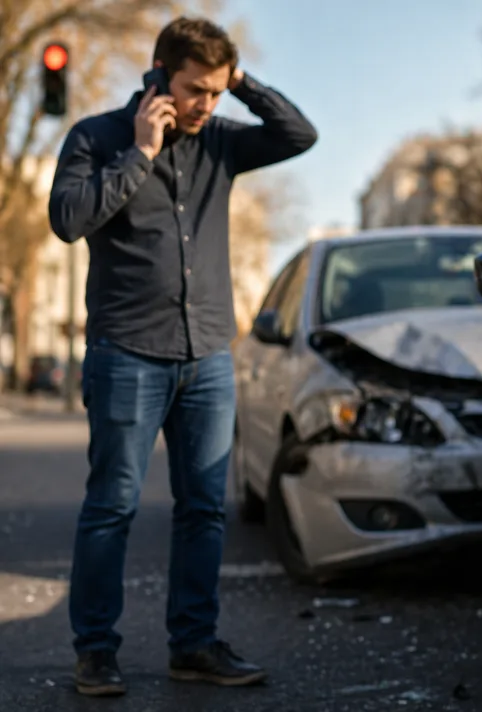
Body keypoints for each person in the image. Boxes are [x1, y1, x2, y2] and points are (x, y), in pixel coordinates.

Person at [47, 16, 317, 697]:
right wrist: (139, 153)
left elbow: (298, 134)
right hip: (126, 352)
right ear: (161, 75)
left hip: (207, 357)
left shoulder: (222, 141)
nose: (206, 104)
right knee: (111, 506)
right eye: (197, 88)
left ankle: (193, 645)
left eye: (217, 92)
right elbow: (68, 220)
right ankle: (96, 652)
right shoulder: (97, 137)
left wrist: (242, 81)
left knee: (205, 509)